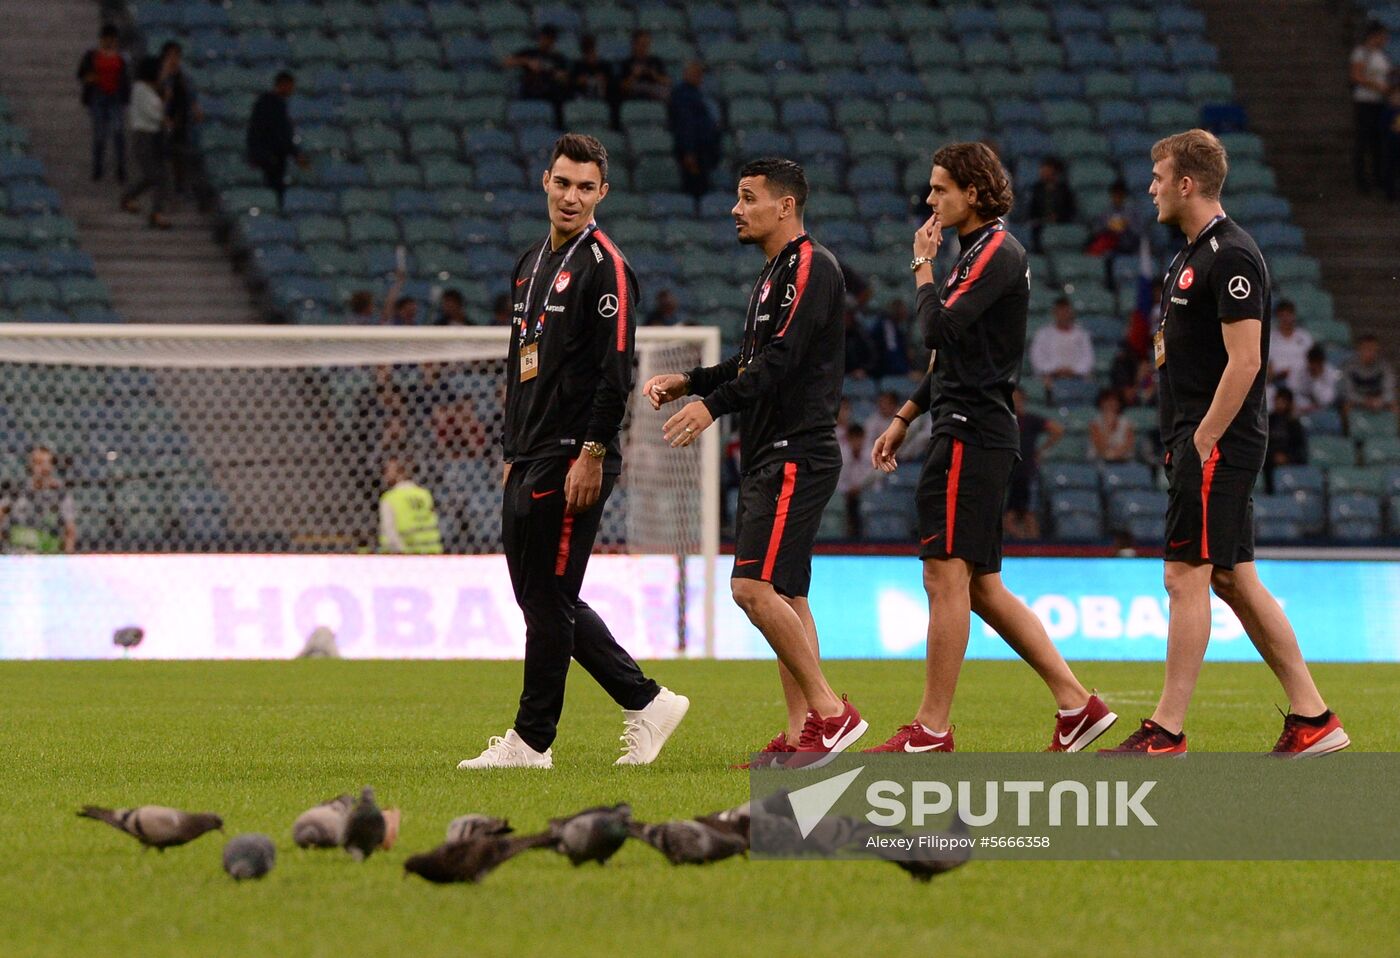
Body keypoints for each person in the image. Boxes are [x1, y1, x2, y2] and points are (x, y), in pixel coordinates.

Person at [1101, 128, 1348, 755]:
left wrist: (1202, 441)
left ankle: (1166, 730)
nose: (1151, 188)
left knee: (1184, 577)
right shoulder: (1188, 257)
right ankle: (1314, 719)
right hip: (1198, 438)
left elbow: (1245, 362)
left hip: (1217, 441)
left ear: (1187, 184)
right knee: (1234, 578)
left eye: (1159, 177)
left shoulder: (1231, 255)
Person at [869, 142, 1116, 754]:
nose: (929, 200)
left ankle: (930, 730)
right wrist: (905, 416)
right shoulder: (979, 252)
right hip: (968, 421)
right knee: (980, 587)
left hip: (971, 429)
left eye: (939, 189)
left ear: (972, 193)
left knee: (943, 574)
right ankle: (1077, 705)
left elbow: (937, 329)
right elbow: (955, 352)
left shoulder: (995, 251)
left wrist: (920, 267)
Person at [459, 134, 688, 770]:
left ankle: (532, 742)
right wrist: (510, 446)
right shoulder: (530, 263)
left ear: (602, 194)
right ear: (545, 182)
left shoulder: (607, 267)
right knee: (542, 598)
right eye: (564, 183)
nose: (572, 196)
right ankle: (646, 701)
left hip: (572, 456)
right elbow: (519, 365)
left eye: (586, 187)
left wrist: (592, 451)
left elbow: (616, 372)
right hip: (530, 453)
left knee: (549, 599)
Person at [643, 157, 868, 768]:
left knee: (750, 587)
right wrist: (689, 380)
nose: (735, 209)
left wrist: (710, 408)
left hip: (794, 449)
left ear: (785, 205)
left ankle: (830, 715)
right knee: (788, 595)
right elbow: (751, 362)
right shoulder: (776, 272)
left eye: (747, 198)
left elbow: (782, 361)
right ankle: (805, 740)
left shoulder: (811, 267)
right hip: (778, 448)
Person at [119, 56, 172, 230]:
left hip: (154, 136)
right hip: (144, 136)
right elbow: (153, 113)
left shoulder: (152, 89)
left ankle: (150, 208)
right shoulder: (140, 89)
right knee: (154, 175)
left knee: (159, 175)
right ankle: (142, 204)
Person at [1006, 388, 1063, 539]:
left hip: (1026, 472)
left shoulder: (1030, 420)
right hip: (1008, 473)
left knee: (1029, 513)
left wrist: (1041, 450)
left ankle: (1033, 544)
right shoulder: (1004, 421)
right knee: (1009, 515)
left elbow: (1057, 429)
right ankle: (1021, 541)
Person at [246, 71, 307, 209]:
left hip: (269, 155)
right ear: (283, 85)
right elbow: (280, 134)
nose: (292, 89)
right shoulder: (272, 104)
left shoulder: (268, 102)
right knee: (274, 190)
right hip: (270, 156)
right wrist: (296, 154)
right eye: (290, 86)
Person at [0, 446, 78, 554]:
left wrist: (67, 557)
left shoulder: (61, 495)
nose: (38, 467)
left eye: (42, 462)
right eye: (35, 462)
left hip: (47, 557)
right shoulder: (17, 491)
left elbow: (70, 531)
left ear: (51, 466)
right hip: (17, 556)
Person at [77, 25, 129, 183]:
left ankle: (121, 167)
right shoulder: (92, 55)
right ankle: (97, 166)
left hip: (115, 97)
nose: (110, 42)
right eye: (107, 39)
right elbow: (81, 74)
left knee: (118, 131)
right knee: (100, 134)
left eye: (112, 39)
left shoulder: (121, 57)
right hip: (98, 97)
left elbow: (125, 78)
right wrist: (90, 78)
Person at [1350, 22, 1392, 193]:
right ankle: (1361, 179)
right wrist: (1376, 86)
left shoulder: (1382, 55)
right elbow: (1356, 76)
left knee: (1378, 141)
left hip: (1379, 102)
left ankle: (1378, 177)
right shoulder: (1361, 53)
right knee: (1364, 140)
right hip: (1365, 101)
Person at [669, 61, 721, 201]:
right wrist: (689, 151)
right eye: (695, 73)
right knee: (694, 189)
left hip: (703, 149)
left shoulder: (696, 93)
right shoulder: (684, 95)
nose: (699, 77)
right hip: (694, 151)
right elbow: (686, 124)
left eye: (700, 74)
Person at [503, 26, 570, 127]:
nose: (546, 41)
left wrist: (557, 74)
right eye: (545, 38)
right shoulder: (530, 53)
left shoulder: (558, 58)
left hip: (551, 95)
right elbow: (506, 62)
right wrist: (527, 62)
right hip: (530, 91)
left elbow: (565, 78)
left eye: (550, 39)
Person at [159, 41, 200, 196]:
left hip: (182, 121)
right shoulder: (161, 75)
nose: (174, 58)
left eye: (176, 55)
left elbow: (191, 95)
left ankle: (180, 187)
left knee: (181, 156)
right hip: (165, 121)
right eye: (170, 55)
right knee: (165, 158)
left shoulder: (185, 76)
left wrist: (196, 108)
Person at [378, 457, 443, 554]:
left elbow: (389, 530)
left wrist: (403, 552)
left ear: (400, 472)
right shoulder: (424, 494)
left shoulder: (389, 498)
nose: (385, 475)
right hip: (431, 551)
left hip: (403, 553)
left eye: (387, 470)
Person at [1029, 296, 1094, 393]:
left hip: (1076, 376)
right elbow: (1037, 359)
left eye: (1066, 312)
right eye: (1060, 312)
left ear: (1072, 313)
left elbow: (1088, 359)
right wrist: (1055, 369)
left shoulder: (1082, 334)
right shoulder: (1043, 334)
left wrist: (1073, 370)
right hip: (1051, 377)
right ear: (1054, 313)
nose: (1064, 315)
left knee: (1090, 379)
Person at [1026, 156, 1076, 252]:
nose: (1042, 171)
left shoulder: (1065, 190)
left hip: (1061, 225)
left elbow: (1070, 210)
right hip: (1040, 225)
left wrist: (1058, 217)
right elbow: (1032, 210)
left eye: (1046, 169)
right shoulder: (1036, 189)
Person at [1341, 333, 1398, 416]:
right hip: (1359, 399)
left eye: (1373, 350)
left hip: (1378, 400)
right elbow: (1347, 392)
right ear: (1359, 349)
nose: (1370, 353)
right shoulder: (1349, 366)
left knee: (1395, 406)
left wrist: (1380, 400)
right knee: (1346, 406)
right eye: (1366, 349)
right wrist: (1364, 401)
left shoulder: (1385, 367)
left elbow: (1390, 390)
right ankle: (1348, 429)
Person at [1265, 386, 1307, 493]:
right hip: (1268, 464)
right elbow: (1261, 445)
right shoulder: (1267, 421)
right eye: (1278, 399)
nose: (1279, 403)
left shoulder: (1294, 425)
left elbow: (1301, 450)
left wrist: (1287, 458)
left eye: (1283, 400)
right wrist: (1273, 456)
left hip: (1290, 464)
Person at [838, 423, 874, 538]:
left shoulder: (872, 453)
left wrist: (860, 488)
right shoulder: (841, 454)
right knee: (838, 502)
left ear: (863, 438)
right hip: (846, 495)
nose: (856, 442)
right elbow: (839, 480)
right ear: (848, 439)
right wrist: (848, 490)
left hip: (867, 493)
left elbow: (875, 478)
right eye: (853, 439)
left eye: (859, 438)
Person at [1266, 299, 1312, 386]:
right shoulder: (1270, 338)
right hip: (1276, 384)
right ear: (1278, 317)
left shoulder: (1305, 337)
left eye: (1288, 315)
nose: (1286, 319)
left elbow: (1312, 363)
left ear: (1294, 316)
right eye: (1282, 315)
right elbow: (1268, 366)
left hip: (1302, 384)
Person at [1287, 344, 1342, 415]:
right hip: (1301, 406)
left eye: (1317, 364)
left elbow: (1327, 400)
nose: (1314, 367)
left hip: (1323, 409)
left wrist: (1316, 379)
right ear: (1308, 361)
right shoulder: (1298, 369)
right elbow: (1292, 390)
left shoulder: (1331, 373)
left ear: (1322, 363)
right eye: (1311, 363)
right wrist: (1304, 405)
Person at [618, 30, 669, 103]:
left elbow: (667, 82)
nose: (644, 47)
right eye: (641, 44)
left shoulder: (656, 61)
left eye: (647, 44)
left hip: (654, 93)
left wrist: (655, 75)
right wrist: (634, 75)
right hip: (633, 95)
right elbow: (622, 87)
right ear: (634, 44)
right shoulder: (626, 63)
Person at [1088, 388, 1136, 462]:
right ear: (1101, 403)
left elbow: (1128, 445)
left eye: (1114, 401)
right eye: (1107, 401)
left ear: (1119, 403)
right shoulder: (1095, 423)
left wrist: (1116, 454)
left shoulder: (1126, 422)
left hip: (1122, 460)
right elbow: (1099, 446)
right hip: (1098, 460)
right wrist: (1107, 427)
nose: (1110, 404)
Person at [869, 299, 913, 379]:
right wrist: (906, 372)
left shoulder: (897, 328)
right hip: (884, 372)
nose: (905, 312)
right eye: (903, 309)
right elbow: (892, 352)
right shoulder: (887, 325)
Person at [571, 33, 614, 105]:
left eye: (592, 48)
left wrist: (604, 82)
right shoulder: (577, 66)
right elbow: (572, 85)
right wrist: (579, 81)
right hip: (582, 103)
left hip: (602, 102)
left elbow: (612, 87)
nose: (590, 52)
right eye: (587, 50)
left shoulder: (606, 66)